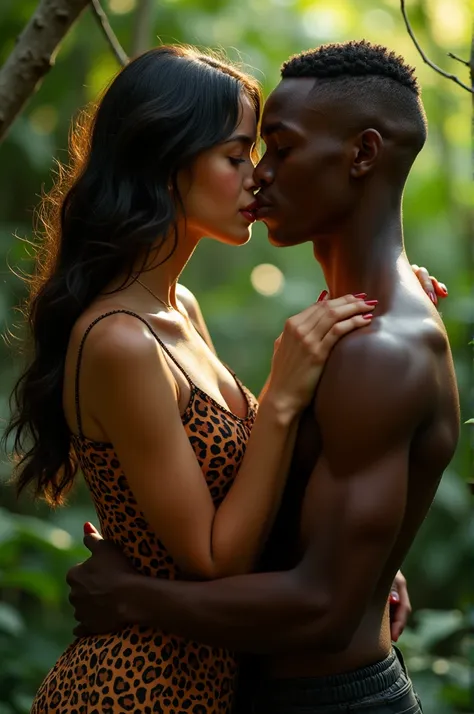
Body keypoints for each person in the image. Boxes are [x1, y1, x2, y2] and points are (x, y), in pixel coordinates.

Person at [4, 44, 419, 714]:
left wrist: (351, 558)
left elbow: (242, 483)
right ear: (167, 164)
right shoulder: (119, 341)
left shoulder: (178, 309)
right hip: (136, 691)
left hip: (212, 679)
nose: (257, 177)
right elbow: (213, 557)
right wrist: (281, 395)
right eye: (236, 155)